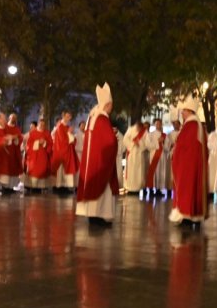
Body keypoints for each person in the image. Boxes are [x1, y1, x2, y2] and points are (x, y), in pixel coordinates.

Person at [75, 84, 120, 226]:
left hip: (92, 161)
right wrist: (114, 138)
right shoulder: (102, 119)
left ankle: (94, 216)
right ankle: (98, 216)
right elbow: (109, 141)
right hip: (100, 162)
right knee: (102, 189)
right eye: (111, 105)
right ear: (108, 104)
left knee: (94, 187)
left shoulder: (93, 117)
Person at [169, 97, 208, 228]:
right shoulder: (195, 124)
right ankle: (192, 217)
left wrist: (176, 152)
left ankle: (187, 216)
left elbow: (185, 146)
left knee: (188, 189)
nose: (181, 113)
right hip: (191, 164)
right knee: (191, 189)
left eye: (183, 111)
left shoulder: (191, 125)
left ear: (189, 111)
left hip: (188, 165)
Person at [50, 110, 79, 195]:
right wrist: (70, 133)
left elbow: (73, 140)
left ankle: (65, 186)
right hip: (61, 151)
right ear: (63, 116)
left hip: (67, 151)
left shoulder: (66, 127)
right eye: (67, 116)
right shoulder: (60, 126)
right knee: (60, 170)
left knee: (66, 169)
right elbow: (62, 140)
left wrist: (71, 135)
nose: (68, 118)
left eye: (69, 116)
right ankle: (59, 186)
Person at [120, 120, 148, 195]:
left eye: (139, 128)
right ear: (136, 126)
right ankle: (130, 188)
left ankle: (138, 188)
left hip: (139, 153)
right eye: (137, 127)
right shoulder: (130, 129)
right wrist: (133, 143)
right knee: (131, 171)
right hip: (131, 153)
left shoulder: (144, 132)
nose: (138, 130)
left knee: (139, 171)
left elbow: (147, 142)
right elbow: (125, 139)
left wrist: (140, 143)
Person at [24, 119, 51, 191]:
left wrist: (45, 142)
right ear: (38, 124)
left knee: (42, 170)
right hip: (34, 156)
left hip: (43, 155)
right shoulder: (33, 133)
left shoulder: (47, 133)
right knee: (34, 171)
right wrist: (38, 142)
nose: (42, 126)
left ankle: (40, 187)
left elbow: (51, 144)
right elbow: (29, 145)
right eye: (41, 124)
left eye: (43, 125)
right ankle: (32, 187)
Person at [145, 119, 169, 196]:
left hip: (162, 156)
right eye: (157, 123)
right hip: (154, 155)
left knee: (161, 172)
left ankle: (159, 190)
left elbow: (167, 147)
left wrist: (163, 142)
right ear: (154, 125)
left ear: (161, 124)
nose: (158, 125)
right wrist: (157, 142)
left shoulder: (165, 135)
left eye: (160, 123)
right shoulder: (150, 135)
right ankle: (152, 189)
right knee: (154, 172)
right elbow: (148, 145)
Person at [4, 113, 24, 188]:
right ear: (9, 118)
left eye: (15, 118)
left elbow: (20, 139)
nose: (14, 119)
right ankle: (5, 186)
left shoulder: (17, 129)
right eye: (12, 118)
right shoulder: (5, 127)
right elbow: (3, 137)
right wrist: (11, 137)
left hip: (15, 152)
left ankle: (12, 186)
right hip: (6, 151)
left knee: (14, 170)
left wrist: (17, 139)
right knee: (6, 169)